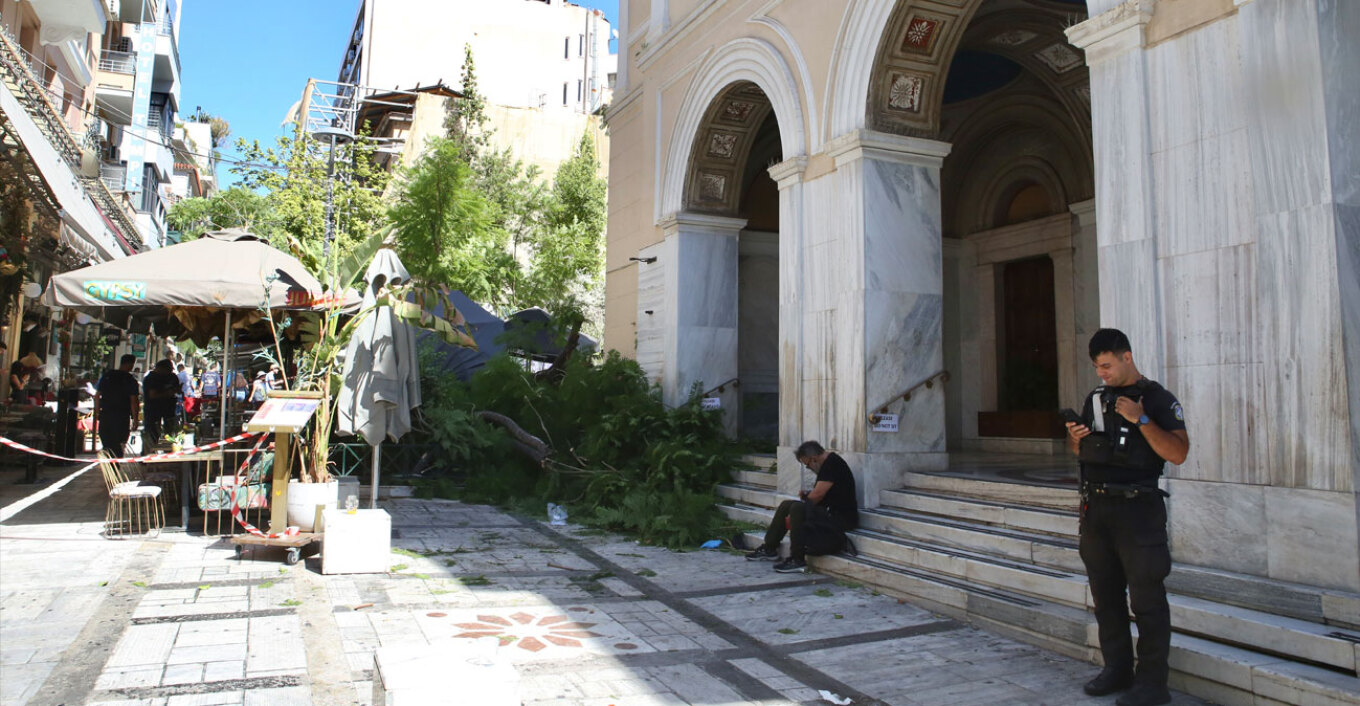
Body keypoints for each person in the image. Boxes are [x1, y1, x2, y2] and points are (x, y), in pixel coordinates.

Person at [1065, 328, 1189, 706]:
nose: (1101, 373)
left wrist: (1142, 420)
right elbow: (1081, 452)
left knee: (1147, 598)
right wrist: (1076, 437)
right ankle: (1117, 668)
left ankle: (1152, 684)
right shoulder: (1097, 398)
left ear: (1126, 357)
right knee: (1105, 597)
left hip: (1138, 510)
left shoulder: (1157, 398)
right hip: (1097, 510)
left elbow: (1179, 453)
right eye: (1096, 367)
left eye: (1107, 365)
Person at [745, 440, 859, 573]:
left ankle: (797, 558)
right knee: (786, 505)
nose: (809, 468)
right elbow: (822, 494)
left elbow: (818, 495)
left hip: (841, 517)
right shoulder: (827, 465)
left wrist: (800, 511)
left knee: (797, 509)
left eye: (808, 465)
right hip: (829, 512)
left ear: (814, 459)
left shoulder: (832, 465)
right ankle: (770, 547)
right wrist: (807, 496)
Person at [95, 354, 140, 457]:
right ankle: (115, 468)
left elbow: (97, 396)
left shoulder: (107, 376)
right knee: (119, 445)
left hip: (106, 415)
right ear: (130, 364)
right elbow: (134, 401)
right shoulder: (130, 380)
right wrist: (135, 419)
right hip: (121, 417)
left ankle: (109, 469)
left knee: (107, 445)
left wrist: (98, 413)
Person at [142, 359, 180, 445]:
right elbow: (152, 395)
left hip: (169, 410)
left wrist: (176, 390)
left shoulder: (172, 377)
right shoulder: (151, 378)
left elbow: (176, 388)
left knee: (170, 434)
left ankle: (169, 450)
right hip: (153, 410)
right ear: (161, 369)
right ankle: (149, 453)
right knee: (151, 434)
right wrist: (168, 393)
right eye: (168, 370)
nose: (169, 373)